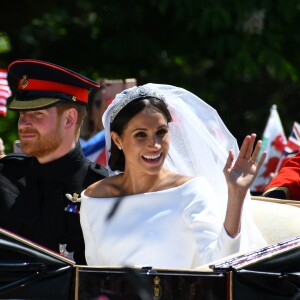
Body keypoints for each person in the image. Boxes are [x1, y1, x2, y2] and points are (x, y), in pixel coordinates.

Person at [80, 83, 267, 269]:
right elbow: (94, 272)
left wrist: (236, 194)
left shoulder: (191, 190)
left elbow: (219, 264)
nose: (155, 145)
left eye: (161, 132)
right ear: (117, 139)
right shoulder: (94, 198)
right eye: (141, 135)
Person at [0, 59, 108, 265]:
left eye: (37, 113)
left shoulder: (101, 189)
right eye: (22, 113)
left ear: (69, 119)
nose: (23, 124)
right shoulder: (5, 177)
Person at [80, 78, 137, 165]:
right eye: (99, 103)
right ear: (90, 112)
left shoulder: (130, 145)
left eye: (112, 102)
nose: (107, 108)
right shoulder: (78, 145)